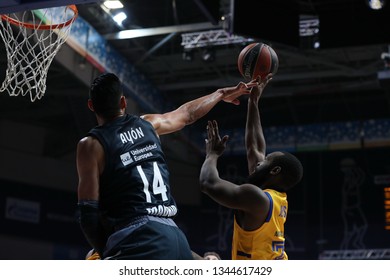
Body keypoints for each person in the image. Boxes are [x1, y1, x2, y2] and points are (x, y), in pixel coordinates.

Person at [76, 72, 256, 260]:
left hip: (138, 238)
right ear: (123, 102)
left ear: (91, 106)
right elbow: (187, 114)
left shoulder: (90, 145)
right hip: (174, 236)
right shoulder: (148, 124)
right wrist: (220, 94)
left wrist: (106, 252)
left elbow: (88, 214)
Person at [199, 75, 303, 260]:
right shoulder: (277, 199)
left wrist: (212, 155)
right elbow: (254, 148)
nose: (259, 161)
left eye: (266, 160)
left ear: (275, 171)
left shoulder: (257, 199)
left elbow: (208, 183)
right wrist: (253, 101)